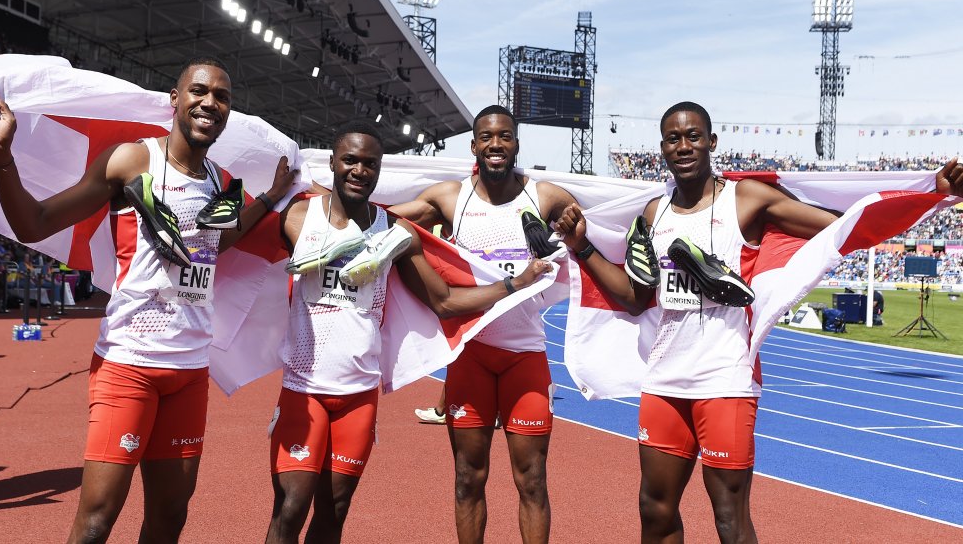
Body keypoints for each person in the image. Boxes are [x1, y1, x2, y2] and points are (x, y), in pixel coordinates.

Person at [554, 101, 963, 544]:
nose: (684, 145)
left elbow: (841, 228)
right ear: (663, 149)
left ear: (711, 143)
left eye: (694, 136)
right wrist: (582, 247)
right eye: (674, 138)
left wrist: (932, 193)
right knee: (654, 511)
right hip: (665, 381)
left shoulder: (745, 198)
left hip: (726, 379)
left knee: (729, 519)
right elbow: (636, 300)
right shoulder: (655, 214)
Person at [0, 55, 295, 542]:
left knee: (170, 519)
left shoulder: (224, 184)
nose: (211, 102)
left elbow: (216, 244)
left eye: (222, 97)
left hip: (189, 373)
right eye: (199, 91)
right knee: (96, 523)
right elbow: (33, 223)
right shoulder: (132, 160)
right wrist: (2, 159)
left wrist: (270, 198)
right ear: (175, 99)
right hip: (129, 366)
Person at [265, 122, 552, 543]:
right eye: (350, 161)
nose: (359, 170)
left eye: (369, 164)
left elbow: (445, 302)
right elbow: (234, 240)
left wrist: (514, 284)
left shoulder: (393, 232)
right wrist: (273, 194)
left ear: (379, 170)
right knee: (290, 510)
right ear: (332, 163)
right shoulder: (299, 216)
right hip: (302, 387)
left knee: (335, 512)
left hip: (358, 394)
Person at [390, 105, 577, 544]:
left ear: (516, 144)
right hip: (471, 356)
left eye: (505, 136)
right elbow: (382, 221)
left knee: (532, 481)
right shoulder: (453, 198)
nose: (496, 144)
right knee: (467, 479)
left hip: (525, 357)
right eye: (487, 137)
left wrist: (572, 224)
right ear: (474, 146)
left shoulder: (543, 196)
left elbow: (594, 224)